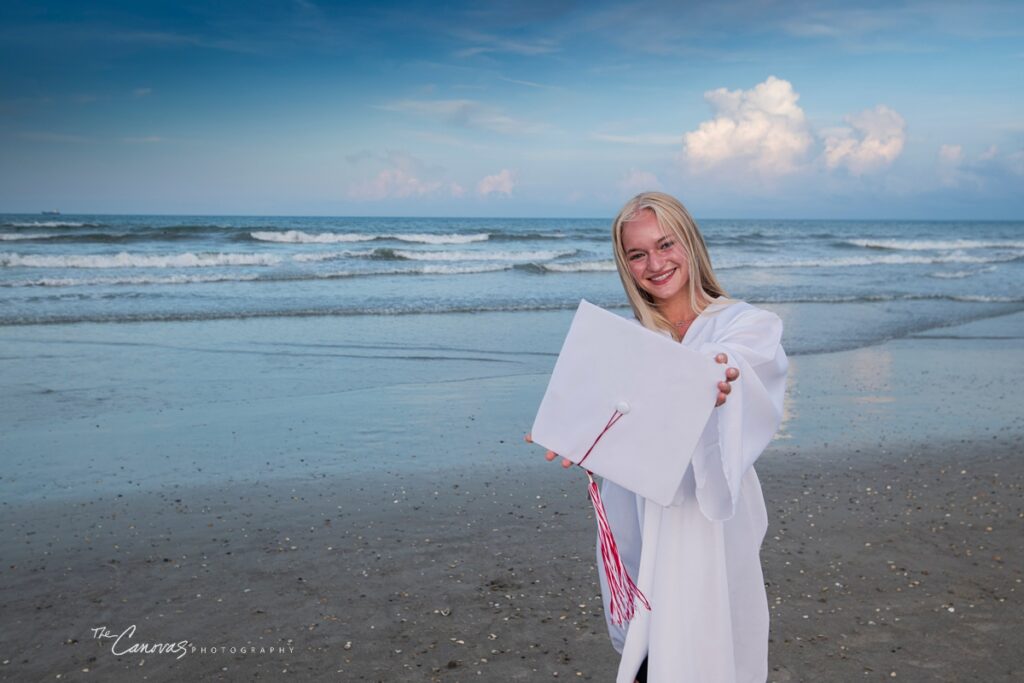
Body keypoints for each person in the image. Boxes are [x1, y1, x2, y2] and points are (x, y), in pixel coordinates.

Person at [528, 192, 788, 682]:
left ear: (689, 242)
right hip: (646, 516)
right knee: (653, 644)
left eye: (665, 244)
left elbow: (739, 367)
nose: (655, 263)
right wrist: (577, 435)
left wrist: (711, 380)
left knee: (714, 637)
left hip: (710, 519)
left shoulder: (745, 323)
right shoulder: (629, 340)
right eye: (637, 254)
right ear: (625, 264)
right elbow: (612, 417)